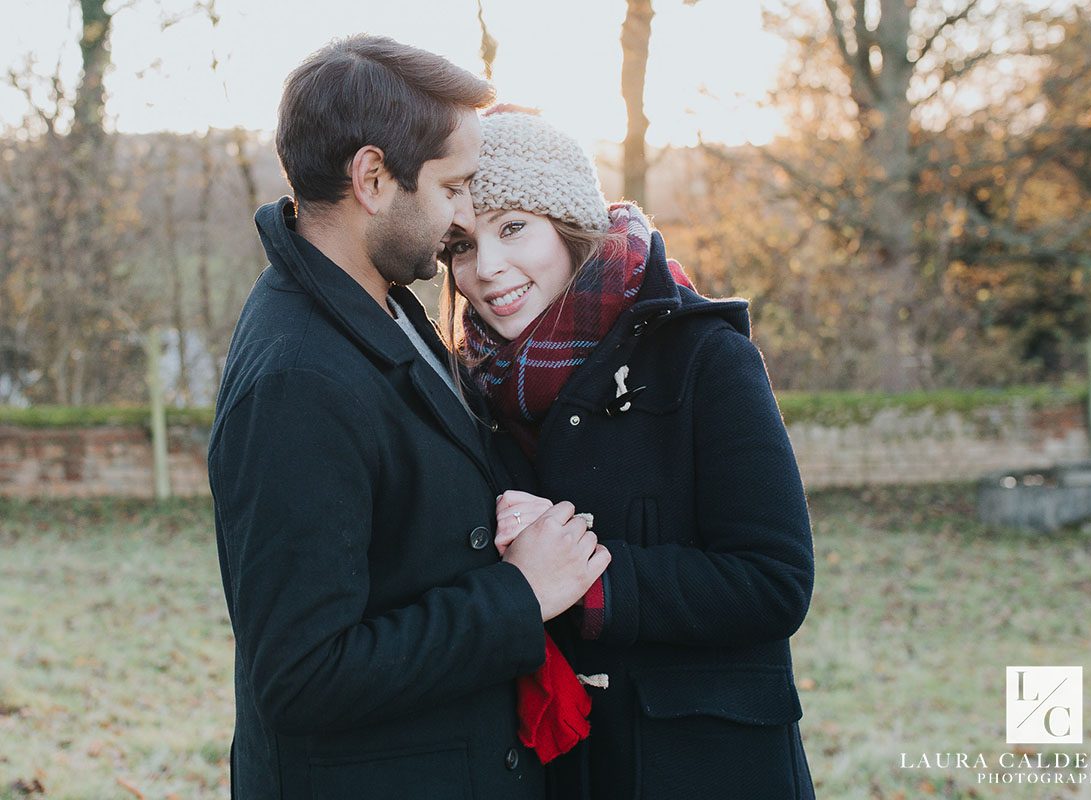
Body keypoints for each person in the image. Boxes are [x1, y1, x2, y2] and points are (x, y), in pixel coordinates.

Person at [207, 39, 608, 799]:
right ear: (372, 178)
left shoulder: (384, 302)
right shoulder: (297, 380)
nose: (463, 213)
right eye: (453, 187)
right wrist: (517, 597)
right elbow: (301, 676)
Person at [440, 108, 817, 799]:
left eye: (513, 227)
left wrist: (587, 579)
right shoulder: (467, 393)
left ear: (570, 225)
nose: (488, 268)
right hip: (555, 772)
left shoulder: (705, 359)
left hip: (706, 769)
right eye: (462, 245)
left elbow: (776, 580)